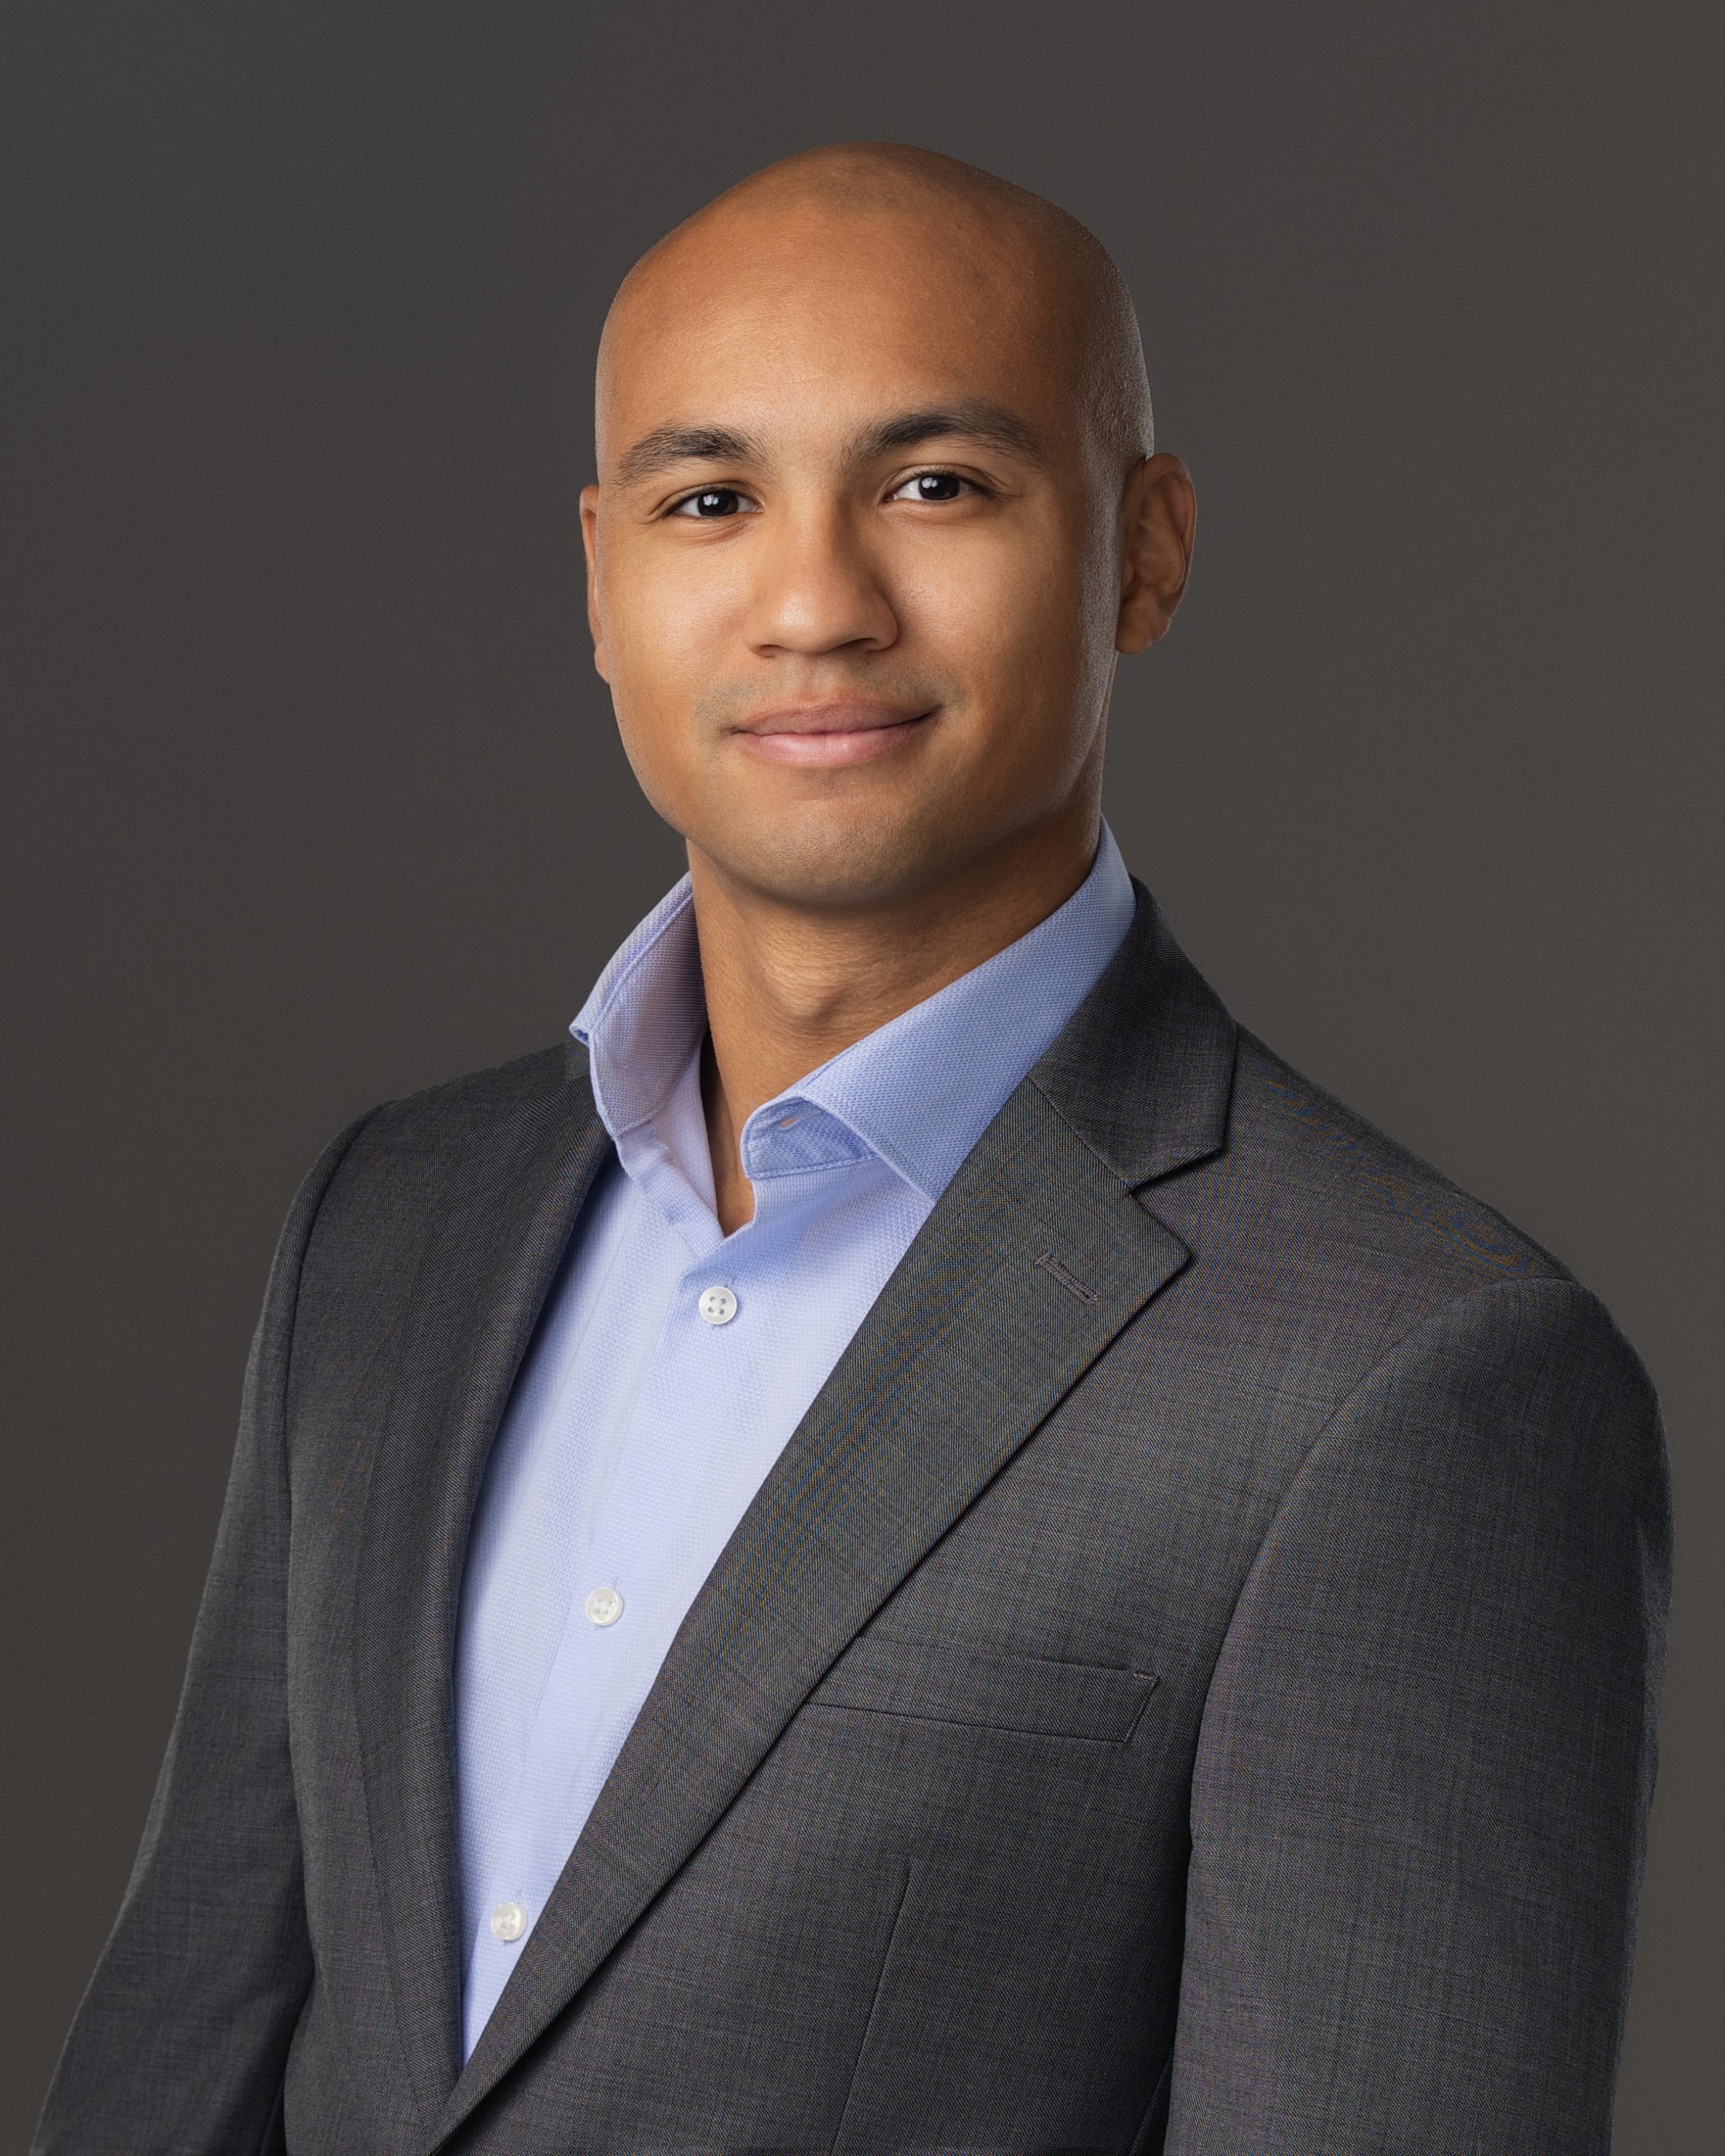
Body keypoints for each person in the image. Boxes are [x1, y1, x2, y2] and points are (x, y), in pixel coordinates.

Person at [37, 142, 1669, 2156]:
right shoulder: (395, 1226)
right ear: (601, 580)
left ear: (1146, 552)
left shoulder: (1405, 1380)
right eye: (710, 500)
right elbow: (183, 2045)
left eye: (936, 485)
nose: (812, 602)